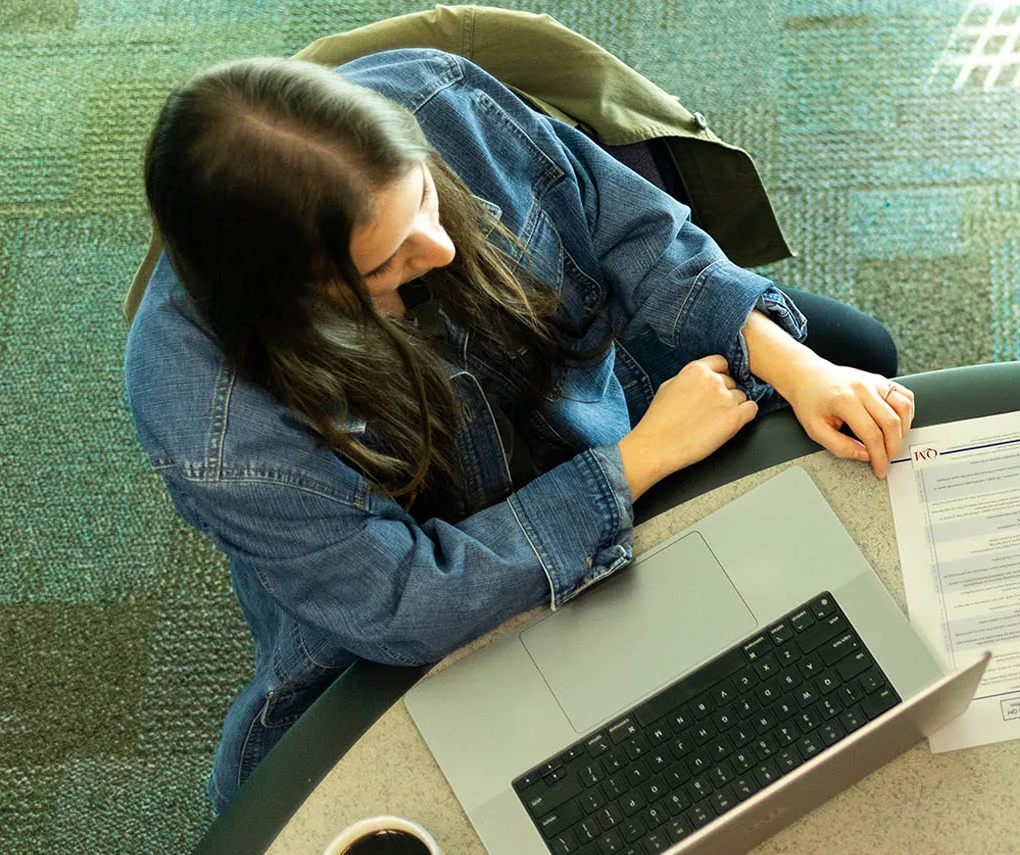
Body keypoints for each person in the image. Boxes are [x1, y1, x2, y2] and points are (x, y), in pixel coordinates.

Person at [125, 48, 914, 813]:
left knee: (853, 356)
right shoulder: (215, 426)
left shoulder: (440, 95)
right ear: (295, 296)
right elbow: (406, 599)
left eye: (427, 198)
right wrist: (636, 462)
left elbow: (625, 229)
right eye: (385, 262)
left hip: (581, 392)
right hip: (432, 580)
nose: (439, 249)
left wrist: (793, 363)